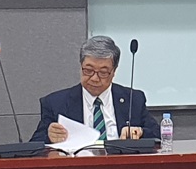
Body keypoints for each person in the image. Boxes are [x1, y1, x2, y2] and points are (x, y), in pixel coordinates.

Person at [31, 35, 160, 143]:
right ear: (81, 66)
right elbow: (33, 146)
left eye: (103, 72)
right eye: (88, 70)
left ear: (114, 71)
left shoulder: (133, 99)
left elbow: (159, 136)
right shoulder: (55, 103)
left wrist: (140, 132)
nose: (94, 78)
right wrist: (49, 136)